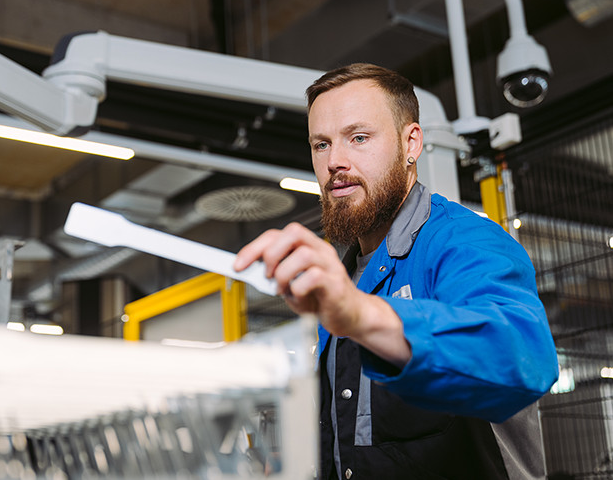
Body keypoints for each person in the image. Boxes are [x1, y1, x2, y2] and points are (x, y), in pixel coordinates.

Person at [233, 63, 559, 479]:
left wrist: (360, 313)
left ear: (412, 143)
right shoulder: (344, 278)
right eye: (321, 145)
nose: (335, 161)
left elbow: (525, 358)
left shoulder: (465, 242)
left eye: (359, 138)